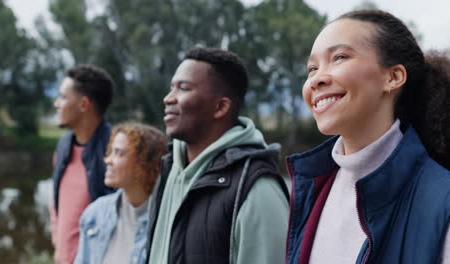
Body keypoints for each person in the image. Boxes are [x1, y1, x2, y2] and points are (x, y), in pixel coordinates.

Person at [286, 9, 450, 264]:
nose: (316, 79)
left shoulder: (442, 201)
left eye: (339, 57)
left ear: (393, 77)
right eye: (312, 69)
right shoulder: (312, 189)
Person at [146, 47, 290, 264]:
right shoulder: (168, 171)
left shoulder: (255, 187)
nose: (168, 98)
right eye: (171, 88)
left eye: (183, 88)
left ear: (220, 107)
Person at [74, 122, 168, 264]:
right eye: (110, 151)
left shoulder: (166, 222)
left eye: (119, 153)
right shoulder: (95, 213)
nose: (107, 160)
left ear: (144, 164)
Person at [50, 65, 116, 264]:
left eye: (62, 97)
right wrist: (58, 247)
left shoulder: (116, 151)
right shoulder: (63, 146)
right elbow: (56, 204)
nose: (56, 103)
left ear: (83, 104)